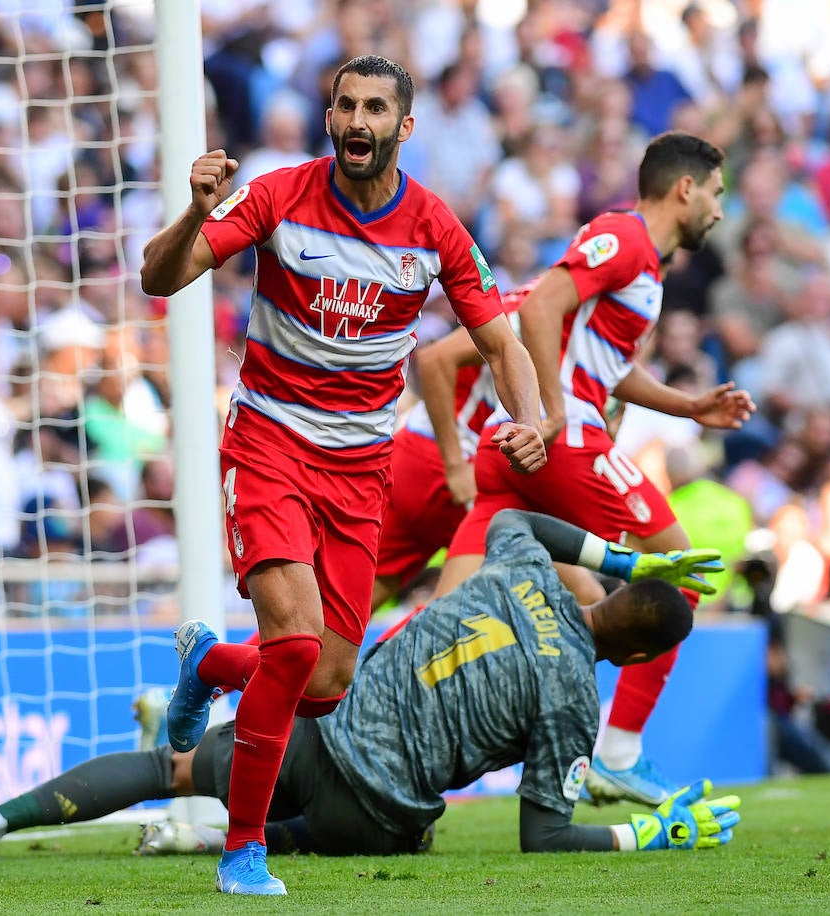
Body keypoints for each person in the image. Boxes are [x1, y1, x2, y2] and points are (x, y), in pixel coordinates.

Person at [138, 54, 545, 895]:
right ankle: (242, 850)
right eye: (343, 106)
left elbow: (502, 342)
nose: (356, 120)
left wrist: (529, 418)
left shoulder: (434, 227)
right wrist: (193, 213)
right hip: (270, 446)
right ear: (329, 119)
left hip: (362, 468)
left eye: (374, 108)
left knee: (325, 682)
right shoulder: (280, 195)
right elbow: (160, 277)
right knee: (290, 648)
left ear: (404, 125)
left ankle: (210, 667)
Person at [0, 510, 738, 865]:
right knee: (408, 834)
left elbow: (518, 519)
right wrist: (650, 837)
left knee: (172, 772)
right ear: (633, 661)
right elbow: (544, 839)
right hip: (368, 816)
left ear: (612, 597)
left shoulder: (517, 564)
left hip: (318, 730)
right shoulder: (575, 705)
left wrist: (622, 557)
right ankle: (217, 834)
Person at [436, 131, 755, 809]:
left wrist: (688, 405)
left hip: (508, 451)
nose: (721, 211)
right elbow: (541, 305)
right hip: (563, 441)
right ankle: (614, 751)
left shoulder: (646, 267)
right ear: (686, 188)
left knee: (444, 618)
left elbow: (608, 364)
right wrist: (552, 413)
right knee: (685, 568)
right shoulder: (626, 236)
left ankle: (348, 727)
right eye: (719, 194)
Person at [371, 283, 529, 610]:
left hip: (414, 450)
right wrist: (456, 466)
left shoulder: (530, 303)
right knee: (543, 584)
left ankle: (265, 661)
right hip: (445, 466)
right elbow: (433, 359)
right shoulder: (530, 314)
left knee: (347, 608)